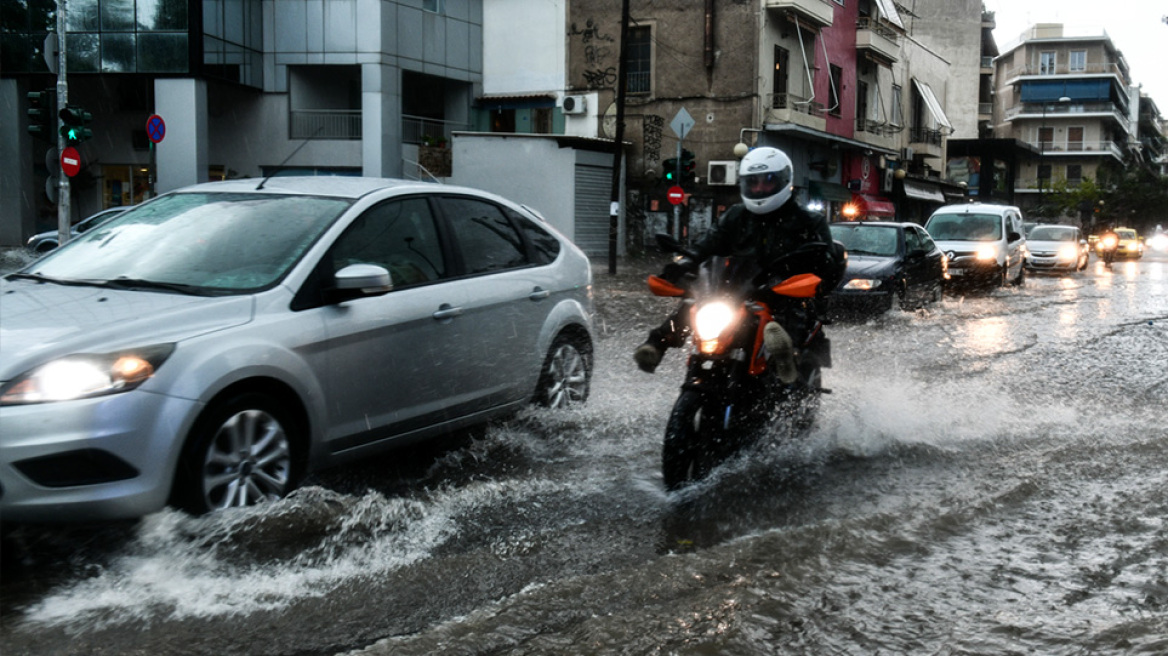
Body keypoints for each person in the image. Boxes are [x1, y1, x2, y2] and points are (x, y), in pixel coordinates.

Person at [633, 146, 846, 378]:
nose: (759, 188)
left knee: (791, 315)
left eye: (768, 181)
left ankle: (786, 359)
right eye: (752, 182)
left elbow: (828, 262)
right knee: (694, 303)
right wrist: (686, 262)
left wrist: (813, 262)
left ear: (784, 181)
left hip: (783, 292)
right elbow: (709, 242)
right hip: (738, 290)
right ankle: (655, 345)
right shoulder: (736, 215)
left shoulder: (808, 221)